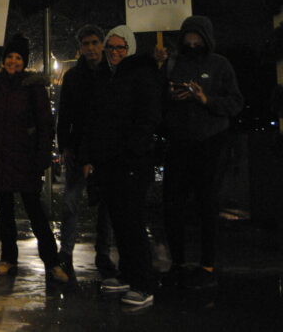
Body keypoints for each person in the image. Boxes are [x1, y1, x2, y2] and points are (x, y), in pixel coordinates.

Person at [80, 25, 161, 307]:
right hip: (110, 164)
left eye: (120, 48)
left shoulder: (141, 75)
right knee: (120, 223)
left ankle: (144, 284)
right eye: (111, 47)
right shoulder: (106, 77)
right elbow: (96, 120)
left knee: (133, 224)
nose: (114, 52)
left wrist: (132, 151)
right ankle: (128, 273)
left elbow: (147, 118)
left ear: (130, 49)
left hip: (131, 163)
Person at [162, 16, 243, 289]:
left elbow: (236, 103)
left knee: (207, 205)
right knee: (173, 204)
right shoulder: (175, 64)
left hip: (211, 143)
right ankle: (178, 263)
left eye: (198, 38)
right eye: (188, 38)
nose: (193, 43)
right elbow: (160, 101)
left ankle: (207, 265)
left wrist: (205, 99)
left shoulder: (220, 64)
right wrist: (172, 97)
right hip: (179, 144)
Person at [0, 34, 69, 284]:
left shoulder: (33, 87)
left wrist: (43, 154)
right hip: (1, 156)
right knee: (5, 211)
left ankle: (52, 262)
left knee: (36, 212)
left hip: (26, 158)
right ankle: (8, 259)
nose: (13, 61)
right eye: (9, 57)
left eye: (18, 58)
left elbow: (45, 124)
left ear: (24, 61)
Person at [56, 25, 116, 280]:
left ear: (102, 44)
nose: (90, 48)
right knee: (71, 203)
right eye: (86, 44)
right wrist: (65, 146)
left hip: (104, 148)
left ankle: (103, 255)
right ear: (80, 48)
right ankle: (66, 254)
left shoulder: (112, 74)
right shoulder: (72, 77)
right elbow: (65, 113)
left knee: (106, 206)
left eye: (94, 43)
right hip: (78, 147)